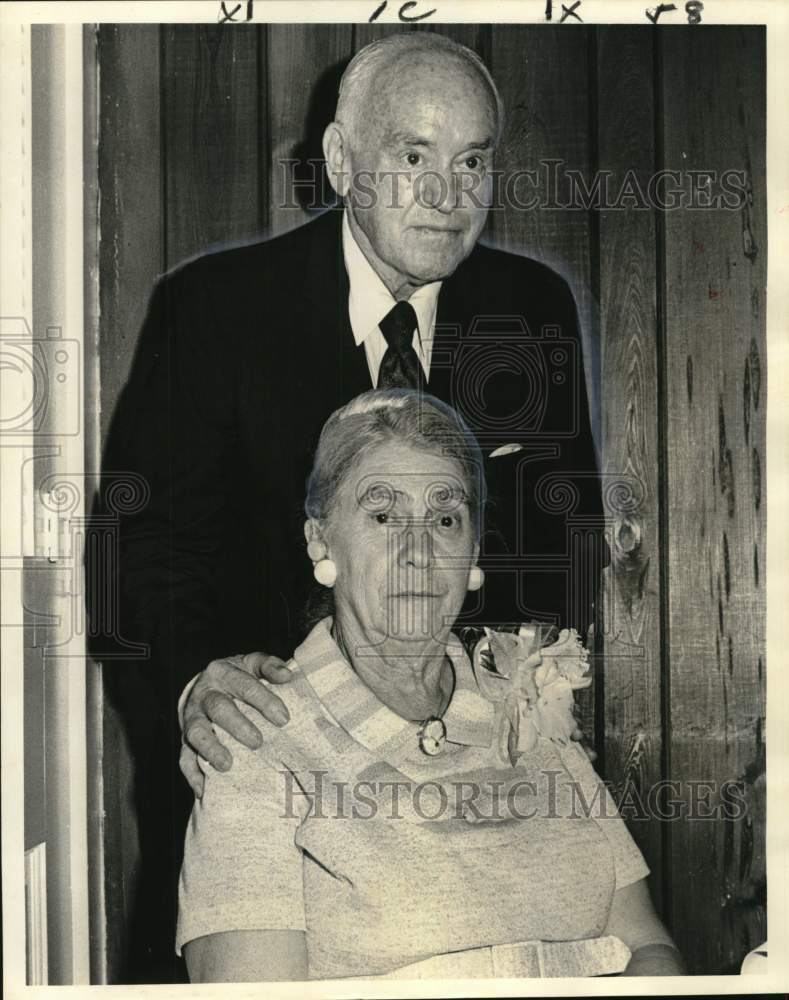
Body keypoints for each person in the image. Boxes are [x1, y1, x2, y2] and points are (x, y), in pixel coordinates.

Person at [94, 30, 605, 979]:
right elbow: (144, 543)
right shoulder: (215, 308)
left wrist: (518, 711)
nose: (447, 196)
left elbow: (559, 540)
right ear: (340, 162)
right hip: (272, 775)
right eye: (412, 156)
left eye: (471, 161)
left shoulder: (530, 309)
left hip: (464, 774)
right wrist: (192, 681)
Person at [176, 389, 682, 981]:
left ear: (472, 553)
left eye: (445, 518)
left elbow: (650, 949)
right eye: (383, 515)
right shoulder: (256, 736)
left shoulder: (529, 703)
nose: (418, 551)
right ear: (320, 540)